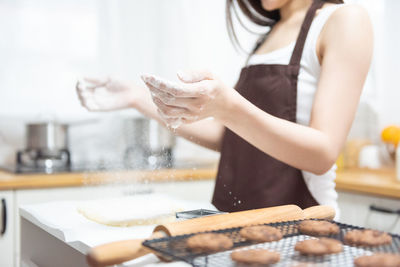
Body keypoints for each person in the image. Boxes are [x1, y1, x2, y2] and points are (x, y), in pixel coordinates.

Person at [76, 0, 373, 218]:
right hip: (234, 221)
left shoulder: (344, 20)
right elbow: (230, 136)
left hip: (303, 226)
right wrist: (137, 98)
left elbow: (322, 153)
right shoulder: (269, 36)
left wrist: (229, 107)